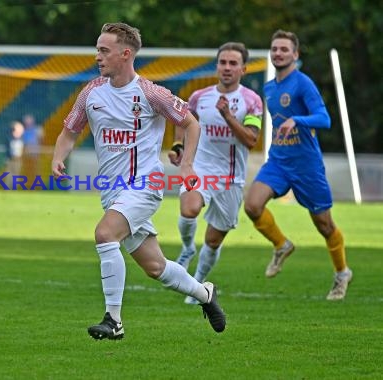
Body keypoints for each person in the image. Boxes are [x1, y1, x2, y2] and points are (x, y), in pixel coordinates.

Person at [51, 22, 226, 340]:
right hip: (113, 193)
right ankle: (205, 295)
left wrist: (186, 165)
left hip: (145, 185)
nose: (97, 57)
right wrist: (57, 156)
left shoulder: (150, 93)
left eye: (104, 50)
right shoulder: (91, 93)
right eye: (97, 50)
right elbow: (70, 131)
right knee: (155, 267)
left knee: (105, 234)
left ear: (125, 53)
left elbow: (190, 123)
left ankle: (113, 321)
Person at [243, 29, 353, 300]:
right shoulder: (269, 87)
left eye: (284, 49)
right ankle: (281, 245)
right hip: (279, 161)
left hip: (307, 166)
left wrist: (298, 120)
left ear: (295, 54)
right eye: (275, 48)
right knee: (252, 205)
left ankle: (342, 273)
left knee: (324, 225)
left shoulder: (303, 83)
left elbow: (324, 119)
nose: (278, 53)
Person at [170, 42, 263, 304]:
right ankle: (188, 248)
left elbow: (251, 140)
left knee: (212, 240)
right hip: (201, 168)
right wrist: (179, 147)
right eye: (223, 62)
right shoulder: (200, 97)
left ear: (244, 69)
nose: (227, 68)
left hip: (231, 179)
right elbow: (183, 123)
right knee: (189, 209)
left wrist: (227, 116)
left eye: (233, 63)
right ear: (217, 66)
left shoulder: (252, 101)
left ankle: (198, 284)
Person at [21, 114, 44, 184]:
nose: (28, 123)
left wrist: (38, 150)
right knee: (26, 170)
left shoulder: (37, 129)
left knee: (36, 170)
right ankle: (26, 184)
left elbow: (41, 140)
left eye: (29, 121)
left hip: (35, 154)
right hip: (25, 154)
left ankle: (37, 185)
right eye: (26, 122)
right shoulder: (22, 130)